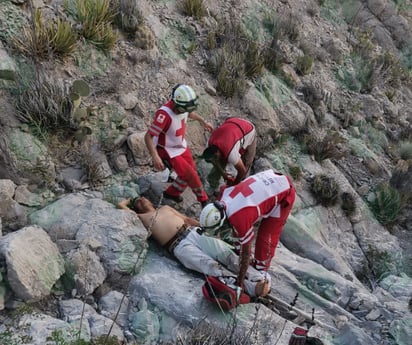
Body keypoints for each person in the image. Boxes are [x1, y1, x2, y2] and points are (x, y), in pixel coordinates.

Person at [117, 196, 270, 298]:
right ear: (136, 208)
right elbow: (120, 206)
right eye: (137, 202)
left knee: (225, 253)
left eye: (142, 198)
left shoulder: (164, 208)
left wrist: (206, 228)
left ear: (150, 201)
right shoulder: (140, 217)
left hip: (193, 232)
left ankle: (258, 279)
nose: (141, 200)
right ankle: (249, 288)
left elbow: (186, 218)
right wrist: (129, 201)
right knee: (211, 267)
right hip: (178, 245)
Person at [199, 169, 295, 291]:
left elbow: (247, 251)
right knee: (239, 232)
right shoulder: (224, 196)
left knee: (267, 235)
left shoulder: (240, 217)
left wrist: (239, 281)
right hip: (271, 181)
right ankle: (240, 251)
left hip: (284, 191)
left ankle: (262, 270)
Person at [144, 84, 213, 206]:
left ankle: (172, 193)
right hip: (167, 149)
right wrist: (155, 156)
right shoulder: (164, 114)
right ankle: (204, 200)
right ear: (176, 103)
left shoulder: (183, 108)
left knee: (190, 171)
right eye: (183, 108)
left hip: (180, 146)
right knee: (191, 175)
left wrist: (202, 121)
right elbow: (148, 136)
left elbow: (189, 113)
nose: (185, 111)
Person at [201, 117, 256, 189]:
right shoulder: (210, 144)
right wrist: (223, 174)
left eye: (215, 158)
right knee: (221, 161)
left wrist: (233, 185)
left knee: (246, 161)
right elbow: (214, 161)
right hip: (232, 123)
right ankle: (212, 185)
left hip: (248, 129)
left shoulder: (231, 153)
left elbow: (242, 171)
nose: (214, 161)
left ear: (217, 153)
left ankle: (241, 187)